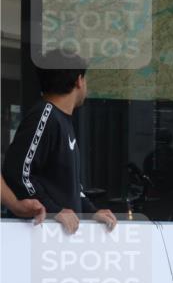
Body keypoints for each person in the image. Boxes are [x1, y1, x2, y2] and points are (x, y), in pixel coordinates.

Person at [1, 50, 116, 231]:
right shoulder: (44, 116)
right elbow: (17, 173)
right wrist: (54, 210)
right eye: (85, 79)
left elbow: (68, 186)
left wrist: (91, 212)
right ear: (79, 80)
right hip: (40, 238)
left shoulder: (61, 120)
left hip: (60, 243)